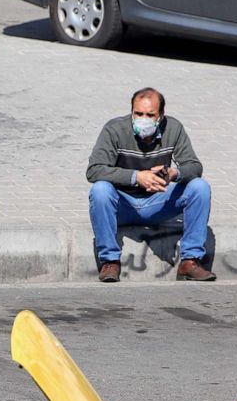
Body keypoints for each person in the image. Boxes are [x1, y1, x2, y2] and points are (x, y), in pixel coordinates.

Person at [87, 88, 216, 283]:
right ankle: (110, 261)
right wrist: (136, 177)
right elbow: (94, 170)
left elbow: (194, 166)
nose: (143, 119)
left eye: (150, 115)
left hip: (158, 201)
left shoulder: (173, 128)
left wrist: (174, 173)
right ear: (131, 111)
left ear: (160, 116)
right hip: (122, 205)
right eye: (138, 114)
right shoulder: (114, 130)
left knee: (200, 187)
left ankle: (190, 260)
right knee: (100, 190)